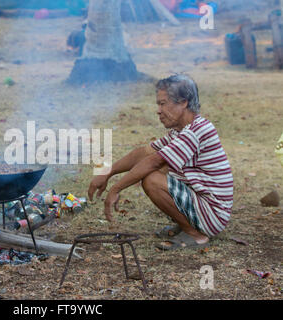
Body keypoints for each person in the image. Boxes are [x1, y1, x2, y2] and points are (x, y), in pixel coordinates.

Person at [88, 74, 233, 250]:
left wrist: (116, 188)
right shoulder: (181, 131)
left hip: (213, 215)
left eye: (163, 103)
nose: (158, 110)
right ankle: (186, 225)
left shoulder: (196, 131)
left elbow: (154, 162)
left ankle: (196, 235)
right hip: (206, 207)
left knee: (152, 179)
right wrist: (107, 173)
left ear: (184, 102)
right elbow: (144, 153)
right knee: (159, 169)